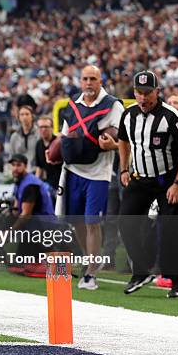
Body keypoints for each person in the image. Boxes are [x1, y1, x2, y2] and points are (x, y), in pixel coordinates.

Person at [118, 71, 178, 298]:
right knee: (126, 222)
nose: (143, 98)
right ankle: (141, 271)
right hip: (140, 178)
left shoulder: (171, 116)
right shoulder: (128, 115)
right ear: (134, 93)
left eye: (147, 93)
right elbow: (123, 140)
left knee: (169, 228)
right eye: (139, 93)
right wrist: (124, 169)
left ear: (157, 92)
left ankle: (175, 281)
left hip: (167, 181)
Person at [56, 65, 123, 291]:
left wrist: (112, 144)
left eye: (93, 78)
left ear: (101, 80)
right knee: (76, 222)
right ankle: (89, 263)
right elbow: (66, 135)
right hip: (74, 170)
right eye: (85, 78)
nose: (88, 83)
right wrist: (57, 150)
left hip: (99, 173)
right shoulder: (73, 104)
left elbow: (123, 137)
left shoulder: (113, 105)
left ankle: (91, 273)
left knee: (92, 221)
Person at [34, 115, 61, 201]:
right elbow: (39, 168)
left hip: (61, 182)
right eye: (41, 127)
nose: (43, 129)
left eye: (46, 127)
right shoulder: (39, 144)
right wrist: (35, 184)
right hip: (49, 182)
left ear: (52, 128)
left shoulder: (58, 143)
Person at [9, 105, 39, 170]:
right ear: (18, 117)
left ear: (32, 116)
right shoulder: (14, 136)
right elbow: (11, 156)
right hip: (19, 171)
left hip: (35, 170)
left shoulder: (39, 134)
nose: (24, 117)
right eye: (22, 114)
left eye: (27, 114)